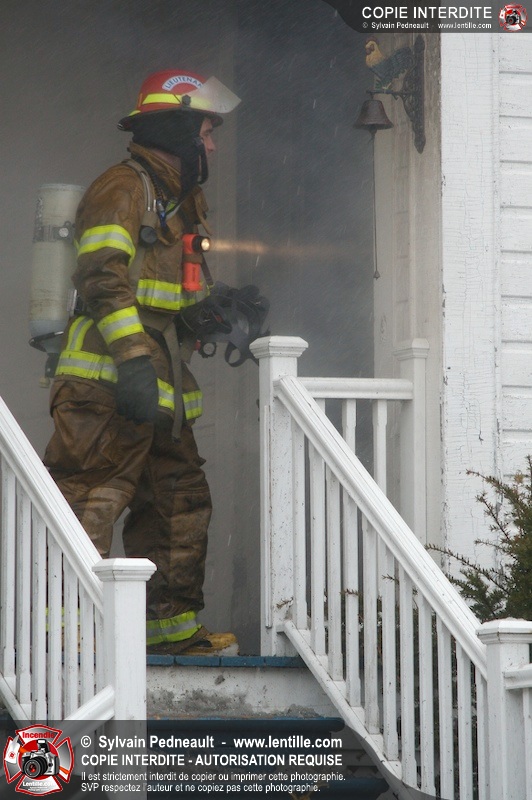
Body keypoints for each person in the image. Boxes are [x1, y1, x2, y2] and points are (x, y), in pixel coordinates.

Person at [43, 71, 241, 655]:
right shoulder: (123, 187)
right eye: (207, 132)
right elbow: (102, 277)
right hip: (106, 382)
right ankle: (64, 640)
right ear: (179, 129)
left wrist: (218, 310)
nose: (212, 146)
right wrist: (131, 361)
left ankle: (169, 634)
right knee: (92, 497)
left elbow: (167, 296)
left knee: (177, 502)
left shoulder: (181, 201)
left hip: (162, 384)